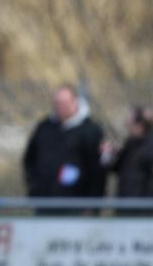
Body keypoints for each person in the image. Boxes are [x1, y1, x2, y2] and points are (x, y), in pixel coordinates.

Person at [22, 84, 105, 215]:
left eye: (64, 103)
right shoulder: (44, 127)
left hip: (77, 205)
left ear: (75, 102)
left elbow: (97, 171)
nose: (60, 107)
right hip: (45, 202)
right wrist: (34, 188)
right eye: (57, 103)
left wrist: (92, 205)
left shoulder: (91, 130)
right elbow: (29, 159)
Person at [106, 106, 153, 216]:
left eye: (129, 124)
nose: (127, 128)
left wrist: (144, 208)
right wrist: (109, 154)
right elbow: (115, 168)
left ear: (139, 125)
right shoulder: (130, 144)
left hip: (145, 214)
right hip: (125, 210)